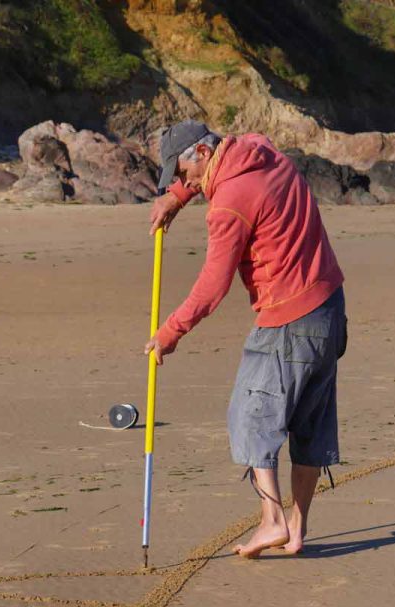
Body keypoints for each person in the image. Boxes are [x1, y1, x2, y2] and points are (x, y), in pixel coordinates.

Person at [144, 120, 347, 558]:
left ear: (202, 153)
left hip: (286, 318)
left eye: (181, 172)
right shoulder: (259, 150)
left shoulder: (228, 204)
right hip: (330, 307)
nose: (183, 181)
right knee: (308, 423)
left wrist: (170, 331)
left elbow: (213, 285)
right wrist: (177, 196)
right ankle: (297, 529)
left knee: (250, 418)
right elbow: (219, 169)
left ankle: (272, 521)